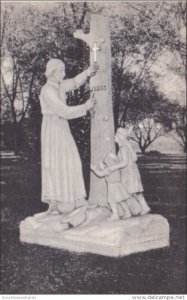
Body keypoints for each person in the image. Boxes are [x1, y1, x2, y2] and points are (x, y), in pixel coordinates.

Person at [39, 58, 98, 215]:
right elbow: (63, 111)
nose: (64, 74)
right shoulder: (47, 90)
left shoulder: (59, 86)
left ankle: (78, 199)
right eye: (61, 71)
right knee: (53, 164)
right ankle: (54, 203)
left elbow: (73, 83)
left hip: (61, 126)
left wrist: (87, 72)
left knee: (72, 160)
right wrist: (85, 107)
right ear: (53, 72)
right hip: (52, 128)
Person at [110, 127, 151, 215]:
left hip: (129, 172)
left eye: (116, 135)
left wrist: (113, 167)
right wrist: (115, 158)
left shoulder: (123, 148)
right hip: (128, 171)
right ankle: (142, 207)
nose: (115, 136)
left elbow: (124, 163)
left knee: (131, 190)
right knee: (132, 190)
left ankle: (138, 208)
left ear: (121, 137)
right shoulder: (124, 147)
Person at [91, 152, 132, 220]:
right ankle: (128, 212)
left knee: (112, 201)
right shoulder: (115, 167)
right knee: (121, 200)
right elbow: (107, 171)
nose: (106, 160)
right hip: (118, 185)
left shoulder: (110, 168)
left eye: (107, 159)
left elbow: (101, 174)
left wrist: (94, 169)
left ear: (110, 160)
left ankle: (116, 215)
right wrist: (102, 167)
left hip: (112, 186)